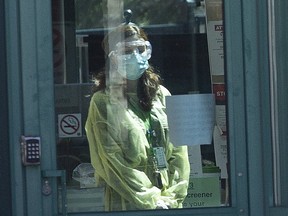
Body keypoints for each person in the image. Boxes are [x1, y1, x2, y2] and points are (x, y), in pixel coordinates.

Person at [85, 20, 190, 211]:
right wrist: (151, 199)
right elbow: (112, 162)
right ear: (113, 57)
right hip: (127, 201)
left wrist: (172, 197)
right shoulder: (103, 101)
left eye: (141, 49)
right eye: (126, 51)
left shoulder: (162, 95)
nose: (135, 56)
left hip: (167, 202)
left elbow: (179, 153)